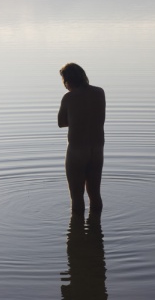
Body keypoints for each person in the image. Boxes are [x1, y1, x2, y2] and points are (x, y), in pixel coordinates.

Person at [58, 63, 106, 215]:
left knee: (77, 198)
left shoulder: (69, 97)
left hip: (77, 152)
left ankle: (77, 234)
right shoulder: (100, 92)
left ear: (68, 80)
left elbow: (61, 123)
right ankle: (96, 232)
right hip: (97, 151)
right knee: (95, 195)